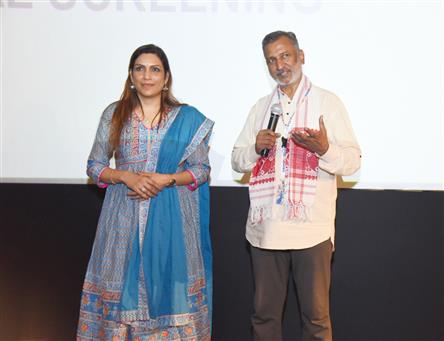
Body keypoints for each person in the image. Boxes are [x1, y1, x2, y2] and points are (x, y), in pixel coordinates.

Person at [77, 44, 214, 341]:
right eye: (140, 69)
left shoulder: (187, 117)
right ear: (131, 76)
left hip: (172, 225)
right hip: (122, 221)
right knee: (120, 298)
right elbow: (95, 165)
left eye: (155, 69)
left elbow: (201, 170)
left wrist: (168, 179)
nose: (147, 76)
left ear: (166, 78)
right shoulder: (114, 114)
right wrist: (125, 175)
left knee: (170, 291)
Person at [231, 31, 361, 340]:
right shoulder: (261, 108)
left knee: (316, 319)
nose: (280, 65)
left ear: (301, 56)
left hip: (311, 230)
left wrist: (324, 149)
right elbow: (237, 161)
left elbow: (353, 162)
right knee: (264, 317)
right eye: (272, 60)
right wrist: (254, 148)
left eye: (285, 55)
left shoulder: (327, 103)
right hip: (266, 232)